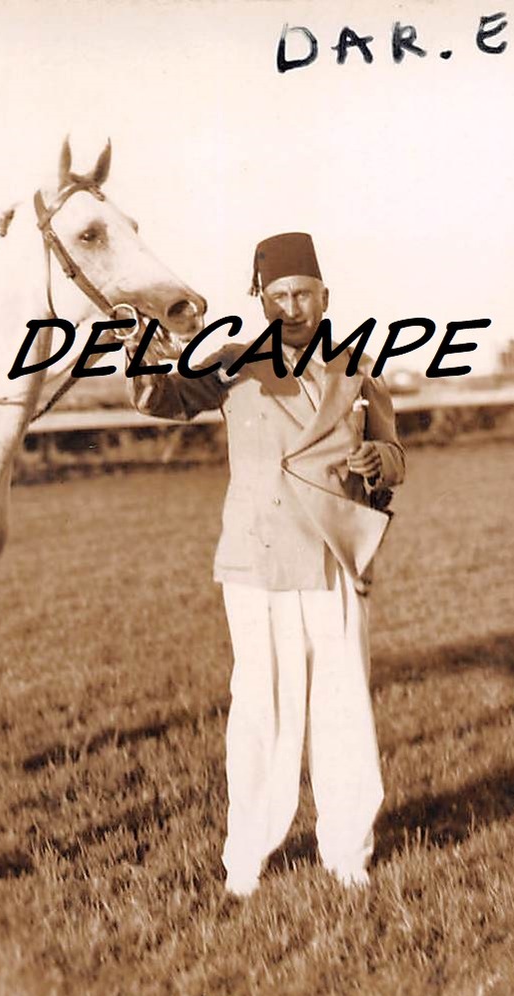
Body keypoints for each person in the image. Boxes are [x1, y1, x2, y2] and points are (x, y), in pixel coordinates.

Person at [130, 232, 406, 895]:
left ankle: (347, 851)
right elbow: (159, 401)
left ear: (324, 297)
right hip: (257, 559)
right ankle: (247, 857)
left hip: (337, 554)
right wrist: (138, 348)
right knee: (262, 706)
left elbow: (393, 450)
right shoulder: (231, 365)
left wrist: (380, 462)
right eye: (277, 296)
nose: (292, 308)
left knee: (342, 705)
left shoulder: (359, 367)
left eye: (303, 294)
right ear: (260, 301)